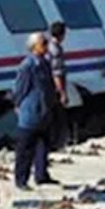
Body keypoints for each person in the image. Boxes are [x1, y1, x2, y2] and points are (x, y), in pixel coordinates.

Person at [11, 33, 57, 189]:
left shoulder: (45, 63)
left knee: (43, 144)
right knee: (25, 147)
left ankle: (41, 174)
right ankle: (21, 179)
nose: (46, 46)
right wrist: (18, 105)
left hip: (45, 111)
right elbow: (20, 88)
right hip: (31, 111)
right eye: (43, 43)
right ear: (34, 46)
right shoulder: (28, 65)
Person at [46, 21, 70, 149]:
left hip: (48, 88)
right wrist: (62, 92)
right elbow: (57, 73)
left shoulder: (48, 47)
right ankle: (56, 144)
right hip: (53, 89)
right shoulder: (56, 50)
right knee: (57, 118)